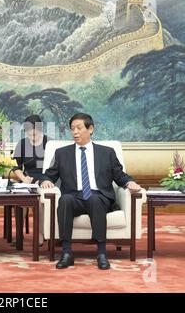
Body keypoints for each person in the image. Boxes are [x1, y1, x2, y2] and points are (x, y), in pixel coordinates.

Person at [40, 113, 141, 270]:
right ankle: (66, 252)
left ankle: (101, 253)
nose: (75, 132)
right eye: (72, 129)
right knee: (65, 199)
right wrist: (46, 180)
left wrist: (129, 182)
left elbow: (119, 174)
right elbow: (49, 174)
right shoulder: (62, 153)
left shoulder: (107, 152)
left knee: (94, 199)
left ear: (91, 129)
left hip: (99, 197)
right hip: (75, 197)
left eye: (79, 128)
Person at [13, 115, 49, 245]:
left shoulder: (49, 143)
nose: (31, 135)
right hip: (28, 178)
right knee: (20, 200)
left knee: (39, 201)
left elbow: (55, 167)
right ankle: (19, 234)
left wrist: (46, 179)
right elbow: (16, 167)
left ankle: (40, 233)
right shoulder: (22, 143)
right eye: (28, 132)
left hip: (45, 178)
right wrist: (23, 178)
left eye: (34, 133)